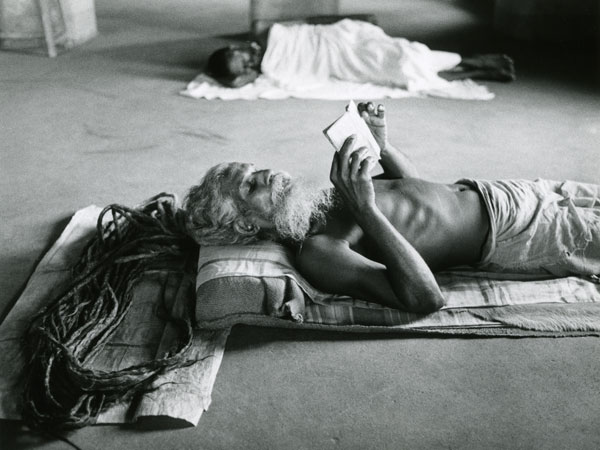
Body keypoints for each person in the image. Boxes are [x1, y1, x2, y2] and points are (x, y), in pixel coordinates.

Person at [184, 102, 599, 314]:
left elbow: (412, 190)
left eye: (258, 168)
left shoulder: (319, 198)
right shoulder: (319, 249)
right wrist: (364, 209)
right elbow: (425, 298)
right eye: (253, 184)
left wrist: (382, 145)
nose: (269, 172)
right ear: (246, 227)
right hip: (516, 233)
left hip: (507, 192)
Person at [205, 19, 515, 89]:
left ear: (237, 47)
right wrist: (249, 74)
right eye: (242, 67)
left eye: (241, 56)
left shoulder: (265, 34)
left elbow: (306, 33)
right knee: (398, 70)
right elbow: (236, 83)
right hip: (337, 62)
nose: (248, 62)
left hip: (339, 41)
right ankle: (471, 68)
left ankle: (470, 63)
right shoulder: (265, 71)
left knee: (402, 54)